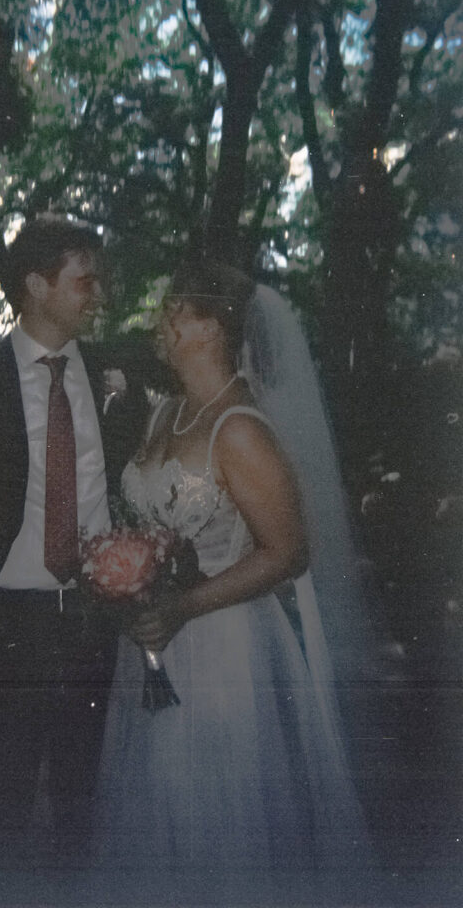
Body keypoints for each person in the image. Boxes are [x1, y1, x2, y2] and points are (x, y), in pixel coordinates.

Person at [94, 259, 376, 901]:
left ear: (213, 329)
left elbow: (286, 552)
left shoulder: (241, 429)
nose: (158, 325)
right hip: (153, 640)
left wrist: (183, 605)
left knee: (213, 811)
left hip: (224, 645)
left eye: (174, 313)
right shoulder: (163, 412)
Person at [0, 215, 149, 862]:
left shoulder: (116, 376)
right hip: (3, 625)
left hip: (92, 621)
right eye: (85, 281)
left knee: (84, 801)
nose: (98, 294)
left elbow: (135, 486)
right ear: (36, 285)